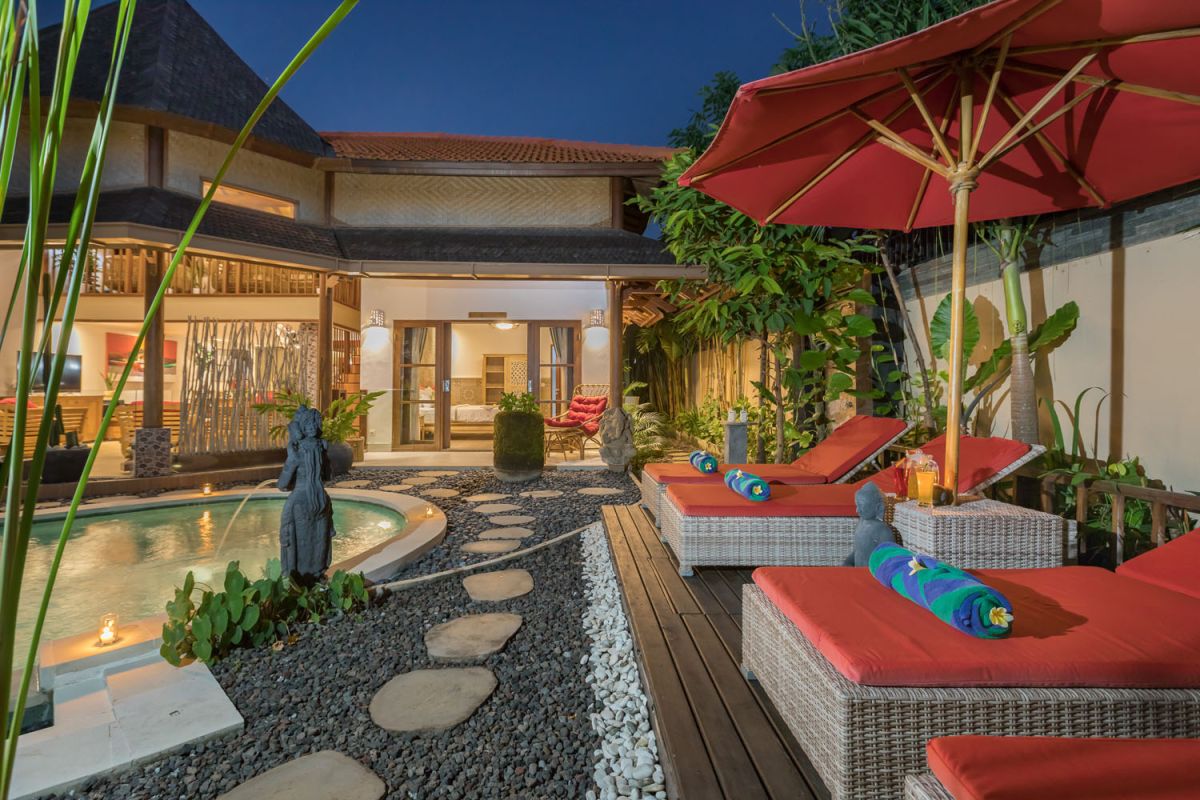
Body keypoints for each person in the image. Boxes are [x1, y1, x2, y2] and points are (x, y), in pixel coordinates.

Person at [277, 406, 335, 580]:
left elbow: (282, 485)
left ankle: (299, 579)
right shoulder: (322, 448)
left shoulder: (297, 451)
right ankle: (317, 574)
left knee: (299, 541)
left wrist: (292, 458)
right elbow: (328, 476)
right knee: (319, 539)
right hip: (321, 499)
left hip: (300, 500)